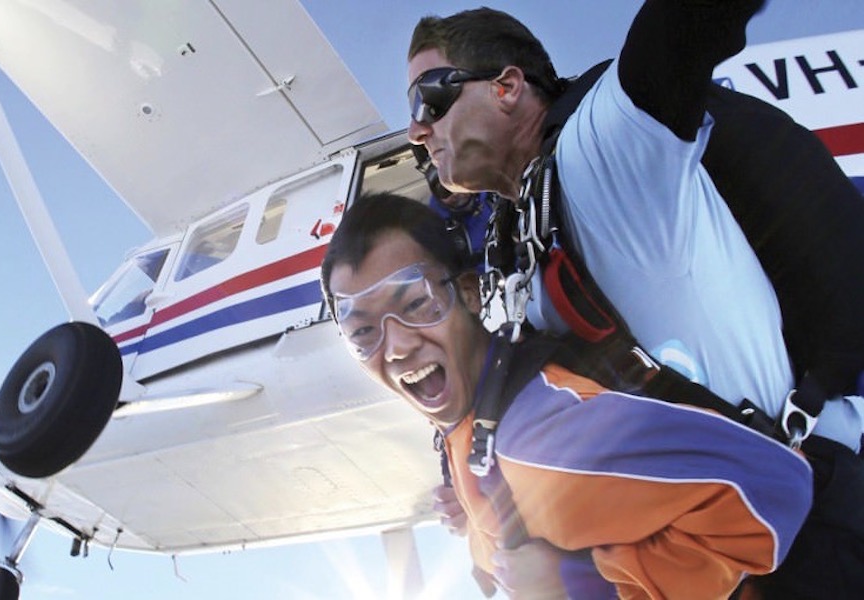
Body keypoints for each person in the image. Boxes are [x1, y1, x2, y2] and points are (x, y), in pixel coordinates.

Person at [405, 3, 864, 596]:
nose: (417, 129)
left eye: (428, 99)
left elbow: (680, 27)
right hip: (692, 560)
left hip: (798, 535)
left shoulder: (607, 144)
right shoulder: (512, 249)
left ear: (508, 86)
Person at [320, 192, 812, 599]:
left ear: (469, 293)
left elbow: (773, 489)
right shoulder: (470, 425)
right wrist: (471, 518)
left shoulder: (538, 439)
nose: (398, 345)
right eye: (363, 333)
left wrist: (578, 583)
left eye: (416, 303)